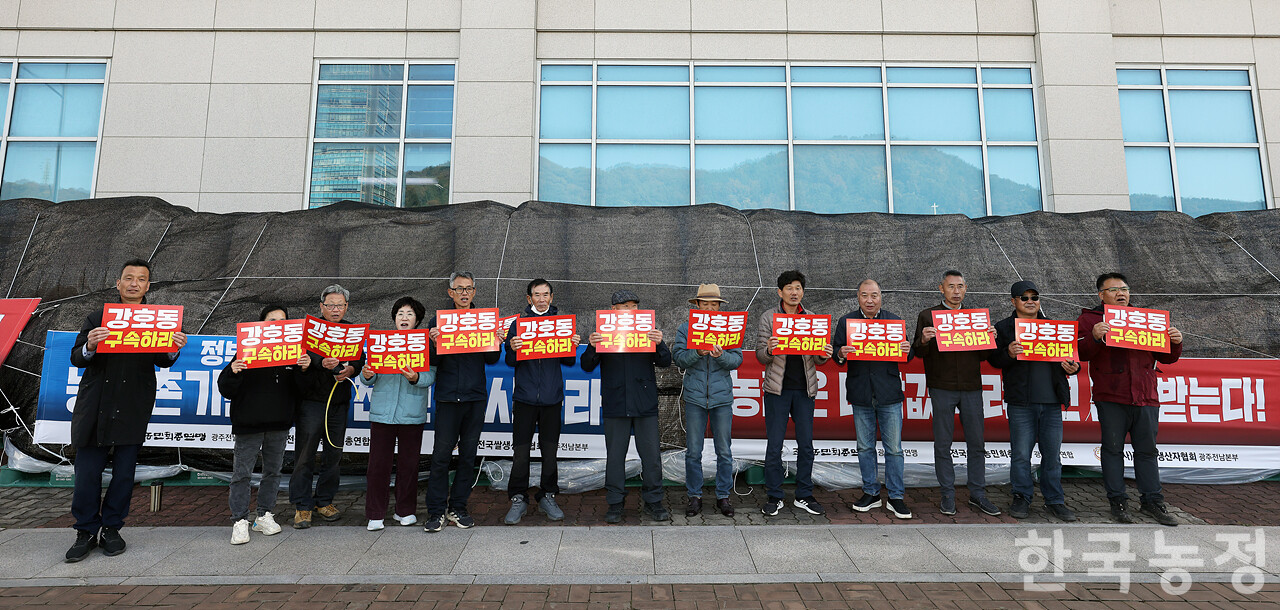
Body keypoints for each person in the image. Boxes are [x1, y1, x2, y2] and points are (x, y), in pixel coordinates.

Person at [65, 259, 188, 562]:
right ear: (118, 284)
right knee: (87, 473)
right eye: (128, 278)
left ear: (148, 286)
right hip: (95, 407)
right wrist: (90, 346)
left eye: (141, 279)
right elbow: (77, 358)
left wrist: (174, 348)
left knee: (124, 474)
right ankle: (85, 531)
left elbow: (164, 359)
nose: (134, 284)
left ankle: (111, 529)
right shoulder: (98, 318)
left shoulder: (160, 320)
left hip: (133, 406)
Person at [1078, 272, 1183, 526]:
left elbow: (1167, 357)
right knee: (1112, 450)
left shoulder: (1146, 319)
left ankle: (1152, 501)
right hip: (1111, 395)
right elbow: (1082, 353)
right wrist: (1094, 336)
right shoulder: (1089, 319)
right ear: (1101, 295)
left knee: (1147, 451)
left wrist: (1176, 342)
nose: (1121, 293)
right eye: (1113, 290)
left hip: (1146, 396)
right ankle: (1118, 501)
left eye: (1124, 289)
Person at [988, 281, 1080, 522]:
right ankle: (1021, 496)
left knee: (1052, 455)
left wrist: (1074, 367)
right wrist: (1008, 353)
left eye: (1034, 297)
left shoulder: (1054, 328)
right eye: (1024, 297)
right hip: (1021, 402)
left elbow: (1073, 361)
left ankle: (1055, 500)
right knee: (1020, 455)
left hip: (1052, 403)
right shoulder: (1004, 328)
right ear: (1013, 301)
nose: (1030, 301)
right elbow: (993, 360)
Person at [218, 305, 309, 544]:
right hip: (248, 424)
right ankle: (239, 520)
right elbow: (225, 388)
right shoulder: (246, 350)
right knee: (242, 474)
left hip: (279, 424)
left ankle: (264, 515)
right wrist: (234, 371)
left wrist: (303, 368)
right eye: (272, 320)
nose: (278, 324)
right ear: (261, 324)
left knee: (273, 472)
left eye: (283, 320)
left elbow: (303, 390)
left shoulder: (293, 354)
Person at [581, 289, 673, 523]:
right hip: (616, 403)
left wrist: (660, 344)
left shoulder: (646, 332)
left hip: (645, 404)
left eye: (633, 306)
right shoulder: (603, 333)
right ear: (613, 310)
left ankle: (654, 501)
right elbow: (587, 366)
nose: (630, 310)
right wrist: (592, 346)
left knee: (651, 457)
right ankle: (615, 503)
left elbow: (664, 362)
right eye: (624, 306)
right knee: (615, 457)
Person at [913, 270, 1000, 517]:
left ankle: (978, 494)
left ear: (965, 288)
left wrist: (992, 338)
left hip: (972, 387)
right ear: (941, 288)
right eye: (951, 287)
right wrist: (924, 339)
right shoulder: (928, 315)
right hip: (942, 386)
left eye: (960, 286)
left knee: (977, 443)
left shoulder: (975, 318)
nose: (956, 291)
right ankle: (947, 494)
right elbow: (917, 353)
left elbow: (986, 356)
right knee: (943, 443)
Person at [423, 272, 501, 532]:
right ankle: (435, 512)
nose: (464, 293)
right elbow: (433, 361)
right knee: (440, 457)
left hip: (475, 397)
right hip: (446, 397)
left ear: (475, 292)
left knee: (468, 456)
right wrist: (433, 342)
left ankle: (458, 507)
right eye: (459, 289)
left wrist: (496, 341)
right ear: (450, 293)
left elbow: (491, 360)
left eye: (468, 289)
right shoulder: (438, 321)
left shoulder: (485, 321)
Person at [832, 279, 914, 520]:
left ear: (881, 297)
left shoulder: (894, 321)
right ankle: (871, 492)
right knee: (865, 447)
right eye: (865, 295)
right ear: (857, 297)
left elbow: (906, 357)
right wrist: (840, 353)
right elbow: (836, 354)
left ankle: (896, 496)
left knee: (894, 449)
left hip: (888, 392)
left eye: (874, 295)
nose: (870, 300)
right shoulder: (846, 322)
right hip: (861, 393)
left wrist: (906, 349)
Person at [756, 270, 833, 517]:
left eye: (798, 287)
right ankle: (775, 496)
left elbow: (819, 359)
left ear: (803, 292)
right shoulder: (769, 317)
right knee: (774, 446)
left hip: (805, 390)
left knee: (806, 445)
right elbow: (760, 355)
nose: (794, 292)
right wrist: (768, 349)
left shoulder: (812, 318)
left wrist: (824, 352)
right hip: (777, 390)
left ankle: (804, 495)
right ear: (780, 292)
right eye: (789, 288)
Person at [503, 279, 580, 524]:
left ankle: (548, 495)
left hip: (551, 398)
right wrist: (512, 347)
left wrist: (573, 346)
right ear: (529, 299)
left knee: (550, 452)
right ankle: (518, 497)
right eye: (537, 294)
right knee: (521, 453)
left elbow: (568, 362)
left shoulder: (561, 324)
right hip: (524, 398)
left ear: (552, 296)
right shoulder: (518, 324)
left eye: (546, 294)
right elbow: (509, 362)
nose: (542, 298)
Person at [358, 296, 436, 531]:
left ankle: (405, 511)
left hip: (412, 414)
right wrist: (367, 374)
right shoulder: (381, 342)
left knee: (409, 465)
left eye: (410, 314)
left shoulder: (424, 345)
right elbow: (366, 378)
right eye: (400, 313)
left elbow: (431, 376)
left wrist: (416, 378)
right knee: (377, 466)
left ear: (418, 320)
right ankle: (375, 514)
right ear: (394, 318)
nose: (404, 318)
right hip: (382, 414)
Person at [290, 284, 363, 529]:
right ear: (321, 307)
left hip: (338, 403)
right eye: (330, 305)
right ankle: (302, 505)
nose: (335, 309)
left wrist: (350, 369)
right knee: (305, 455)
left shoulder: (353, 331)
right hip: (311, 401)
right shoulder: (308, 331)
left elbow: (358, 362)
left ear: (346, 307)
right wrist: (321, 362)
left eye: (340, 305)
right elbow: (300, 360)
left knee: (334, 455)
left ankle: (324, 501)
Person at [671, 284, 742, 518]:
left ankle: (723, 496)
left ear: (720, 306)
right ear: (697, 305)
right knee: (693, 451)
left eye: (714, 304)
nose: (710, 308)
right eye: (705, 303)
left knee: (724, 451)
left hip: (722, 398)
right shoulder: (686, 328)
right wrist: (697, 352)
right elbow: (679, 358)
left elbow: (737, 360)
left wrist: (721, 356)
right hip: (694, 397)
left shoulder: (729, 327)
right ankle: (695, 496)